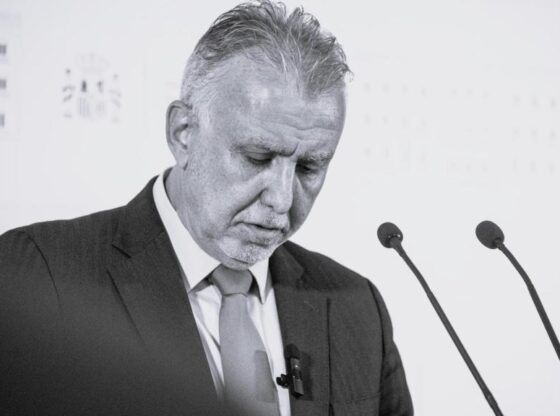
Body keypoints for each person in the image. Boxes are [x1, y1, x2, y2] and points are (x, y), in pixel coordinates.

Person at [0, 1, 413, 415]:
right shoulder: (40, 276)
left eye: (309, 167)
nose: (282, 199)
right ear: (183, 133)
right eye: (257, 157)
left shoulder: (356, 308)